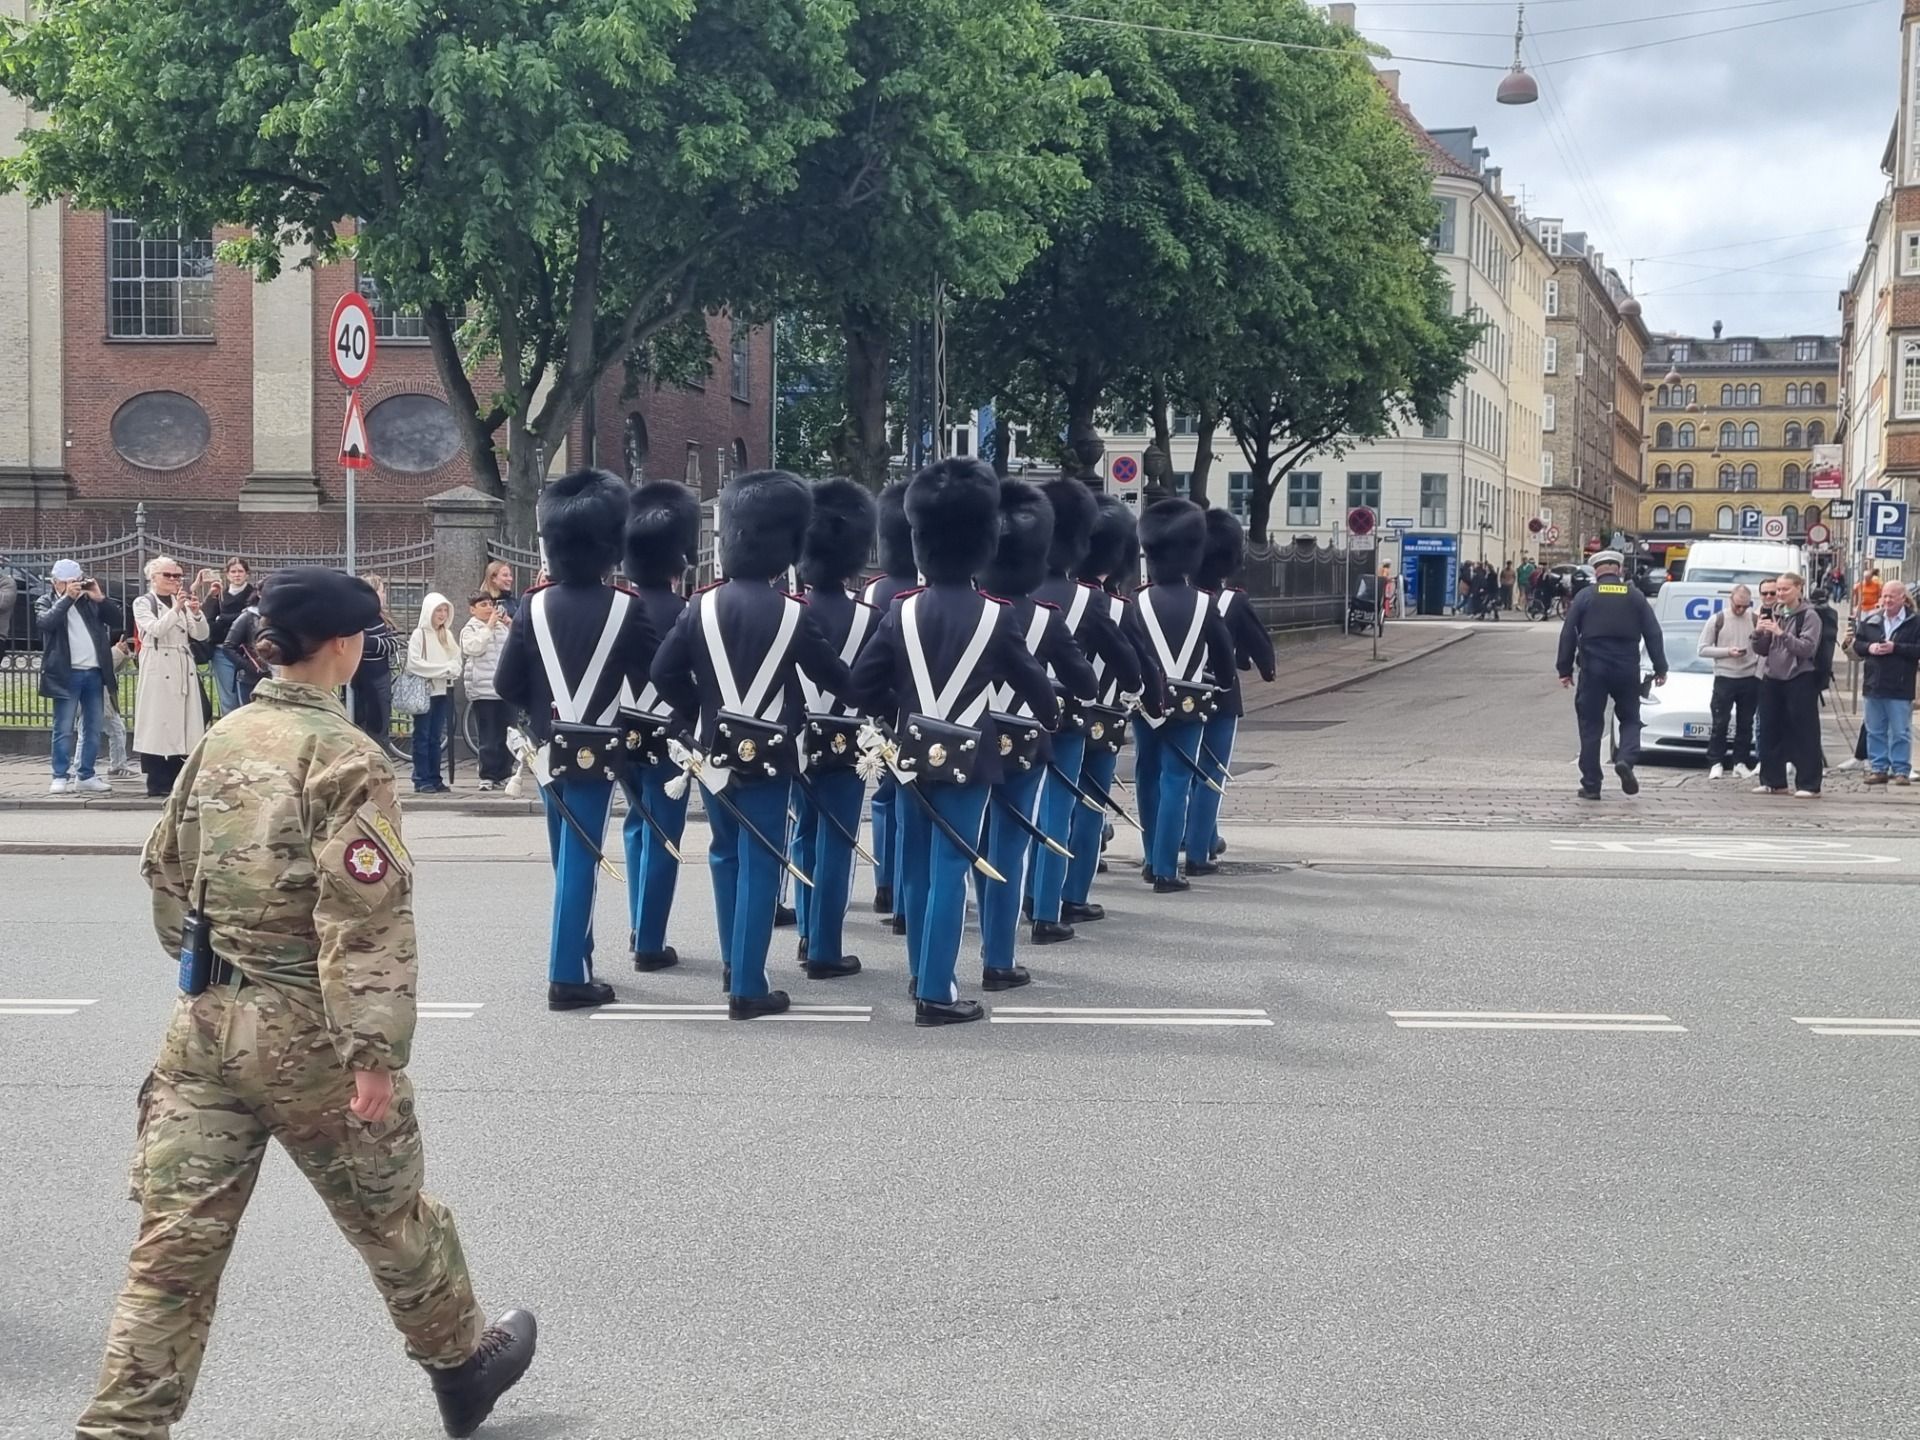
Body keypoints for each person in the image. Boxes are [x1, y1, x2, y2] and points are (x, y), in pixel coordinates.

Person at [74, 568, 537, 1440]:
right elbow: (364, 915)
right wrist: (372, 1054)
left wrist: (207, 964)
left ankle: (120, 1429)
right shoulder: (345, 756)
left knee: (172, 1251)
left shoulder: (226, 735)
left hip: (204, 1025)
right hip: (308, 1033)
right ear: (343, 645)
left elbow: (166, 873)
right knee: (389, 1216)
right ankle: (462, 1367)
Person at [847, 458, 1058, 1026]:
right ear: (981, 543)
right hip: (971, 757)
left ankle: (921, 971)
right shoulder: (996, 615)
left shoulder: (899, 610)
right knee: (950, 869)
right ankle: (936, 993)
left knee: (915, 867)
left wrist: (900, 720)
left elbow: (861, 684)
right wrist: (1048, 722)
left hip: (910, 753)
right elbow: (1037, 692)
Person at [651, 470, 852, 1018]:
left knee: (724, 855)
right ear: (784, 547)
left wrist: (697, 712)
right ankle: (749, 984)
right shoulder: (793, 613)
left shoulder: (699, 606)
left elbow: (663, 671)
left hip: (714, 749)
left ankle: (732, 964)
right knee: (763, 860)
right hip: (772, 754)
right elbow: (837, 679)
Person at [496, 469, 659, 1010]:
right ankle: (567, 974)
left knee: (566, 857)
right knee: (581, 859)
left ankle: (580, 951)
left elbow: (506, 683)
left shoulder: (532, 605)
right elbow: (653, 676)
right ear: (608, 545)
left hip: (547, 748)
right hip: (597, 748)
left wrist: (543, 713)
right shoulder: (625, 606)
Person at [972, 479, 1096, 989]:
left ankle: (939, 964)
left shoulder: (972, 607)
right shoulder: (1045, 617)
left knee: (969, 846)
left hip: (969, 740)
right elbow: (1083, 682)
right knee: (1009, 848)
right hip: (1023, 741)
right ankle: (998, 958)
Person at [1028, 478, 1140, 942]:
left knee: (1021, 812)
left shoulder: (1013, 592)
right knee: (1067, 808)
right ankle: (1059, 903)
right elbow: (1127, 663)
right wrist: (1131, 691)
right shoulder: (1093, 601)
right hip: (1073, 718)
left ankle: (1026, 895)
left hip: (1014, 718)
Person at [788, 477, 882, 981]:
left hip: (797, 740)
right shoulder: (869, 616)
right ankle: (825, 945)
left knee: (803, 834)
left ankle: (806, 930)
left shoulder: (790, 612)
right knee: (836, 843)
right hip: (848, 743)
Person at [1126, 498, 1236, 890]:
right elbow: (1223, 658)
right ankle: (1166, 870)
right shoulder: (1204, 603)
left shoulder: (1136, 601)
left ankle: (1150, 857)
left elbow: (1127, 652)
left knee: (1146, 776)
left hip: (1145, 702)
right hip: (1190, 702)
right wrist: (1221, 683)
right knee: (1177, 781)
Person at [618, 479, 702, 973]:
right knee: (664, 835)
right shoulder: (684, 611)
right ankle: (650, 939)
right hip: (669, 733)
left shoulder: (618, 605)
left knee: (634, 826)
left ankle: (636, 922)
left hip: (623, 728)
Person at [1064, 494, 1154, 922]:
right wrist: (1150, 700)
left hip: (1052, 717)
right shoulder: (1116, 607)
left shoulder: (1047, 597)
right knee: (1089, 805)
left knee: (1054, 803)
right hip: (1103, 718)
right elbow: (1137, 662)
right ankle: (1074, 892)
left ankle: (1041, 888)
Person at [1187, 507, 1274, 873]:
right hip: (1221, 698)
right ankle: (1198, 851)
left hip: (1181, 698)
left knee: (1184, 773)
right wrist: (1246, 660)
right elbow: (1265, 658)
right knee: (1212, 774)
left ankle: (1205, 836)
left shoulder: (1175, 597)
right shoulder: (1233, 601)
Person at [1555, 549, 1667, 801]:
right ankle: (1626, 759)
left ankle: (1592, 784)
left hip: (1593, 669)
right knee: (1630, 718)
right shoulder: (1635, 597)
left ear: (1596, 571)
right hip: (1627, 668)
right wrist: (1661, 668)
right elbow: (1653, 633)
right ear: (1619, 570)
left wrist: (1564, 669)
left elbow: (1568, 634)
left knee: (1591, 725)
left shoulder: (1586, 596)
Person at [860, 480, 918, 930]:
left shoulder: (877, 590)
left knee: (884, 798)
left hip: (883, 710)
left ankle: (884, 882)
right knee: (905, 799)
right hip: (916, 708)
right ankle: (902, 892)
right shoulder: (916, 593)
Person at [132, 556, 211, 797]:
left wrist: (196, 613)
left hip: (181, 663)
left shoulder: (183, 602)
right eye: (168, 575)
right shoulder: (143, 602)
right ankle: (157, 779)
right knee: (158, 721)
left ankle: (180, 774)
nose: (174, 580)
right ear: (153, 577)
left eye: (177, 576)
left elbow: (200, 634)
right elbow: (156, 629)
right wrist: (177, 608)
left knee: (185, 720)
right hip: (159, 663)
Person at [38, 559, 114, 795]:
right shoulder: (45, 601)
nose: (74, 586)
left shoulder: (89, 602)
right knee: (63, 726)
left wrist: (99, 597)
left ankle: (86, 774)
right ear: (55, 583)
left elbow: (117, 619)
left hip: (94, 671)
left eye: (76, 581)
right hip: (66, 672)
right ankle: (59, 775)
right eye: (67, 582)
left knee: (93, 727)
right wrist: (67, 599)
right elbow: (45, 623)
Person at [1750, 571, 1824, 797]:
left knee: (1804, 732)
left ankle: (1809, 784)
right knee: (1770, 730)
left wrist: (1781, 633)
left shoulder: (1809, 616)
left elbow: (1807, 648)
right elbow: (1762, 650)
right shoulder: (1774, 612)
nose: (1780, 594)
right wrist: (1759, 634)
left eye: (1785, 589)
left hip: (1799, 677)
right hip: (1772, 677)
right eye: (1778, 589)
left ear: (1799, 588)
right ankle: (1773, 781)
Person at [1853, 579, 1918, 786]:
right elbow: (1858, 644)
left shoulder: (1914, 622)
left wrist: (1895, 647)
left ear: (1902, 598)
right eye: (1885, 596)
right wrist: (1870, 648)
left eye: (1892, 596)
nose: (1887, 600)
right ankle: (1878, 768)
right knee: (1875, 730)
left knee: (1900, 731)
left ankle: (1900, 769)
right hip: (1874, 684)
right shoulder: (1872, 620)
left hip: (1900, 685)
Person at [1697, 584, 1759, 780]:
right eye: (1737, 606)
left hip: (1748, 676)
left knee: (1745, 723)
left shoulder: (1754, 619)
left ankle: (1739, 762)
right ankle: (1716, 762)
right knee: (1720, 722)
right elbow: (1702, 649)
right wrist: (1727, 652)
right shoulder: (1718, 619)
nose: (1740, 610)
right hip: (1725, 676)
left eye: (1744, 606)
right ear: (1730, 600)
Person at [404, 592, 463, 794]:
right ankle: (421, 778)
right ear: (429, 611)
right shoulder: (419, 635)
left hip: (442, 692)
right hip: (426, 692)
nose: (443, 614)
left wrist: (452, 669)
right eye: (439, 610)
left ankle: (435, 777)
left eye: (445, 610)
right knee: (422, 736)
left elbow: (456, 660)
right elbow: (414, 664)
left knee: (436, 737)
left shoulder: (447, 635)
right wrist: (444, 670)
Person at [458, 594, 513, 789]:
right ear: (473, 609)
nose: (489, 608)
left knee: (506, 733)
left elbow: (514, 646)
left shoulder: (501, 627)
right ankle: (488, 775)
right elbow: (473, 648)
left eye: (491, 604)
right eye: (483, 605)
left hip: (503, 688)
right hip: (483, 688)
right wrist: (489, 626)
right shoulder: (470, 629)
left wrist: (507, 623)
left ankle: (505, 772)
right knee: (488, 734)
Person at [205, 557, 259, 715]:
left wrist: (223, 619)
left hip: (248, 652)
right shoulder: (220, 595)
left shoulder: (254, 594)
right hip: (222, 651)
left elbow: (253, 618)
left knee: (249, 696)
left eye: (240, 571)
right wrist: (211, 597)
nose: (237, 575)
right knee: (228, 697)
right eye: (233, 571)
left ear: (247, 574)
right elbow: (207, 619)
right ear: (227, 574)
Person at [353, 575, 400, 747]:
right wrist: (375, 644)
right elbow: (358, 644)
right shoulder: (358, 618)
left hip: (381, 675)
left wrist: (370, 643)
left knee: (380, 726)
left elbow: (393, 644)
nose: (385, 594)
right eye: (382, 590)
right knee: (363, 724)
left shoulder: (383, 618)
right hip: (361, 679)